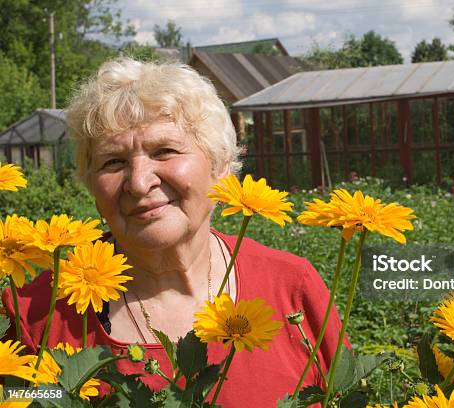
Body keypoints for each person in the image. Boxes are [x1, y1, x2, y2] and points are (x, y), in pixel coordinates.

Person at [2, 58, 346, 407]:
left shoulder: (292, 289)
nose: (138, 182)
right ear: (91, 184)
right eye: (113, 162)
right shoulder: (37, 315)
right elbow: (16, 397)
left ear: (220, 163)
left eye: (164, 151)